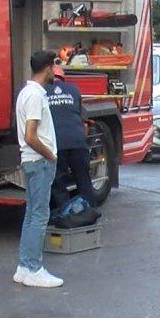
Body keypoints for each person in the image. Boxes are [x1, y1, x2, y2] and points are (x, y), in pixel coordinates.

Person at [13, 50, 63, 288]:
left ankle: (24, 267)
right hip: (40, 161)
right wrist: (50, 155)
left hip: (32, 162)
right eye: (54, 67)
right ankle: (34, 268)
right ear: (47, 69)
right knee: (40, 215)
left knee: (31, 213)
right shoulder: (35, 96)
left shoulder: (26, 93)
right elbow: (30, 135)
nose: (55, 72)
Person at [47, 64, 104, 221]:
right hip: (78, 142)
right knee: (83, 179)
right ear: (63, 77)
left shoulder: (42, 92)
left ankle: (66, 216)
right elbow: (82, 120)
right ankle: (90, 213)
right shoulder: (73, 89)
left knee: (58, 181)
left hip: (57, 144)